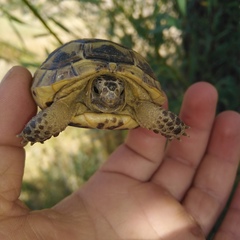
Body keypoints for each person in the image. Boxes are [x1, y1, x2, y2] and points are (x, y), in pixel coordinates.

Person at [0, 66, 239, 240]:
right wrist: (35, 130)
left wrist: (171, 126)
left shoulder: (136, 101)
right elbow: (55, 111)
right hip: (72, 100)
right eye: (102, 91)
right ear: (92, 89)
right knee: (43, 123)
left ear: (123, 91)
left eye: (115, 92)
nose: (110, 96)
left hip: (130, 105)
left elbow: (151, 111)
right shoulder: (68, 98)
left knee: (159, 117)